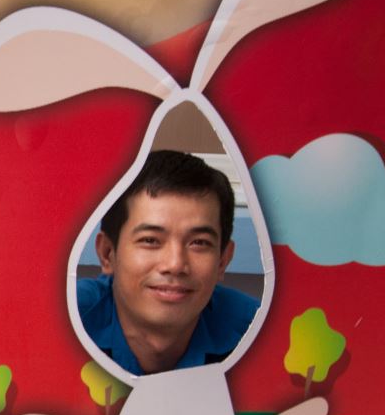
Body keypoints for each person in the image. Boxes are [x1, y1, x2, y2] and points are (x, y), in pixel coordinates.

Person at [78, 150, 260, 376]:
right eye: (150, 240)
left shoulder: (263, 332)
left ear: (223, 260)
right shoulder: (58, 322)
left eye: (199, 243)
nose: (175, 264)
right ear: (107, 254)